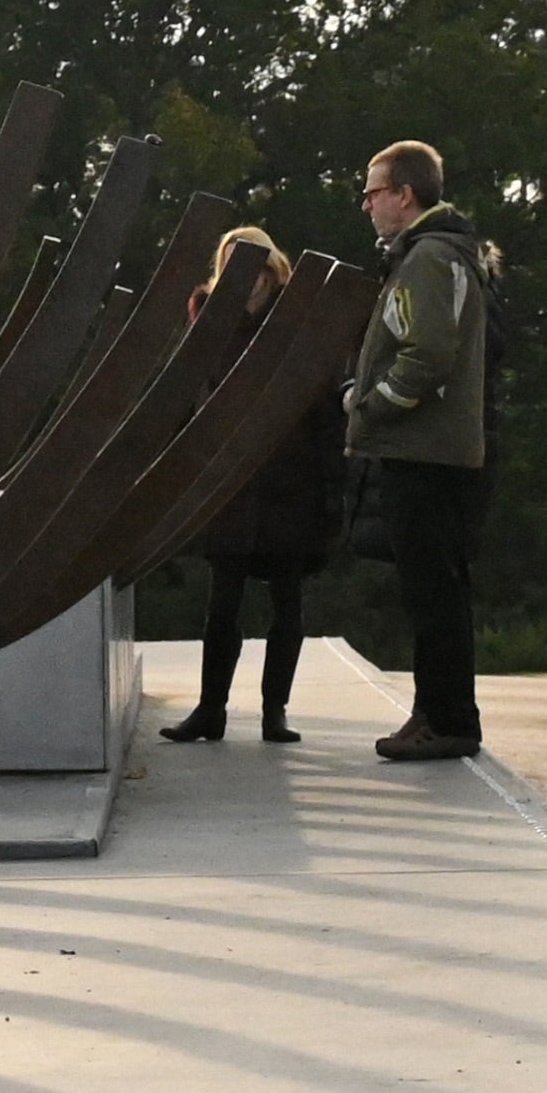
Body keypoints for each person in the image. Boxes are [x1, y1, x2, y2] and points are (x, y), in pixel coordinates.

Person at [153, 221, 350, 746]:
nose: (250, 279)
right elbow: (187, 397)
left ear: (272, 269)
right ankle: (210, 710)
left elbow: (325, 407)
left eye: (257, 267)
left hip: (290, 480)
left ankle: (274, 712)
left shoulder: (297, 322)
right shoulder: (209, 323)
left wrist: (331, 487)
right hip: (229, 483)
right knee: (223, 604)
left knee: (287, 604)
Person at [344, 137, 492, 763]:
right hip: (431, 450)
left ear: (406, 195)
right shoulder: (437, 253)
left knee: (434, 592)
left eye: (374, 192)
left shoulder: (428, 259)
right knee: (432, 590)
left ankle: (449, 721)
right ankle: (432, 712)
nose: (367, 205)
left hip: (424, 452)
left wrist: (368, 402)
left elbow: (429, 355)